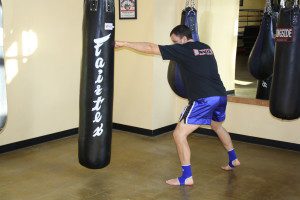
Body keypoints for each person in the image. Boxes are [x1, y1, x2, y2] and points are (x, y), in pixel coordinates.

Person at [115, 25, 240, 186]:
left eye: (175, 41)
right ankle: (233, 158)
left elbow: (150, 47)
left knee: (179, 135)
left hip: (204, 98)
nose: (174, 44)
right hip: (221, 95)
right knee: (217, 127)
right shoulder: (205, 47)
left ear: (183, 38)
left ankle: (186, 176)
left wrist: (125, 43)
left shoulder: (184, 49)